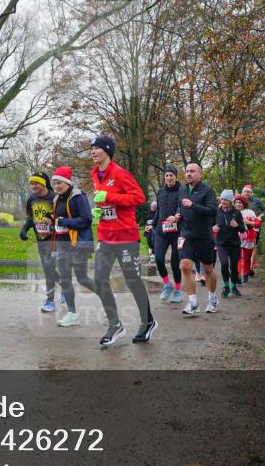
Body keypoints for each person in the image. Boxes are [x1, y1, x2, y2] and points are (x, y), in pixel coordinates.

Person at [90, 135, 157, 345]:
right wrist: (99, 212)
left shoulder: (120, 173)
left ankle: (148, 322)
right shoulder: (95, 174)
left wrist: (110, 198)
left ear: (107, 151)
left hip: (126, 237)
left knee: (132, 281)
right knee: (100, 280)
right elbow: (105, 203)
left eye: (97, 148)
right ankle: (115, 324)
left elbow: (139, 197)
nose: (92, 152)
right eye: (91, 149)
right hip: (105, 236)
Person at [49, 166, 97, 328]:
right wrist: (53, 221)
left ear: (67, 183)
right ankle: (72, 313)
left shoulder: (78, 197)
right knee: (65, 279)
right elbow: (58, 219)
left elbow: (86, 220)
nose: (56, 186)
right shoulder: (57, 199)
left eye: (59, 183)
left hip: (78, 244)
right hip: (63, 244)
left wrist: (63, 221)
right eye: (54, 183)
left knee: (82, 278)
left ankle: (106, 297)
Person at [176, 163, 219, 314]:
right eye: (187, 171)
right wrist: (176, 215)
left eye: (192, 171)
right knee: (185, 266)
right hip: (186, 235)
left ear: (200, 173)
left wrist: (193, 205)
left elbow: (212, 211)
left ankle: (212, 299)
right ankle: (193, 303)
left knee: (208, 268)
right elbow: (180, 206)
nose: (189, 174)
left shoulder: (207, 191)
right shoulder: (182, 189)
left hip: (203, 236)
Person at [19, 172, 61, 312]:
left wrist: (53, 220)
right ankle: (66, 287)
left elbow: (63, 216)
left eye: (35, 183)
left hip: (54, 239)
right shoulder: (32, 198)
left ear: (43, 183)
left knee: (49, 269)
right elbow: (31, 217)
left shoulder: (54, 197)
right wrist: (25, 229)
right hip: (41, 239)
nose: (33, 186)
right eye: (31, 184)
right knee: (47, 268)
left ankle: (50, 301)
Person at [152, 166, 183, 303]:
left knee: (175, 264)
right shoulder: (161, 191)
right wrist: (151, 224)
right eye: (167, 176)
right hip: (161, 230)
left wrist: (177, 215)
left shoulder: (182, 191)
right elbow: (158, 212)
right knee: (158, 259)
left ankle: (177, 290)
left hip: (177, 231)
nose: (169, 178)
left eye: (171, 175)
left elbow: (181, 207)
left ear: (176, 177)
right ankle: (167, 285)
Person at [215, 189, 246, 298]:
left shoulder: (236, 213)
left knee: (233, 267)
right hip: (221, 243)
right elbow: (211, 225)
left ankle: (233, 287)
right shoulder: (217, 211)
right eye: (222, 199)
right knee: (224, 264)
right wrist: (213, 228)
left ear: (231, 201)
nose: (223, 202)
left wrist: (237, 225)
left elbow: (243, 229)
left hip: (234, 244)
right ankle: (226, 286)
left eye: (226, 200)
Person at [235, 194, 259, 284]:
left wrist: (248, 223)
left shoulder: (250, 212)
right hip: (236, 238)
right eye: (236, 202)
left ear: (244, 203)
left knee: (246, 258)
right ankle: (237, 276)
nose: (238, 204)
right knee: (237, 258)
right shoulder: (232, 212)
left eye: (240, 202)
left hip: (249, 238)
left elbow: (256, 224)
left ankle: (245, 274)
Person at [243, 185, 265, 275]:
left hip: (254, 226)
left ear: (251, 193)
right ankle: (245, 266)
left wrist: (260, 217)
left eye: (248, 192)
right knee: (243, 246)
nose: (246, 193)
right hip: (242, 227)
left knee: (253, 246)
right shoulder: (240, 201)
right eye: (245, 191)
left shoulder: (257, 201)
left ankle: (250, 266)